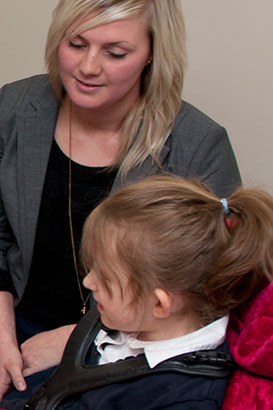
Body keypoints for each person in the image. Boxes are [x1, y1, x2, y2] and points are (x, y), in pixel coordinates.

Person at [0, 0, 241, 399]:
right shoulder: (13, 107)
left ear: (151, 56)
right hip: (15, 315)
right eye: (76, 44)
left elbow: (212, 293)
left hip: (126, 345)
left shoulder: (198, 146)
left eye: (115, 53)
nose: (88, 67)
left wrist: (78, 339)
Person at [1, 174, 272, 409]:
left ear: (159, 304)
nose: (89, 283)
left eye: (105, 279)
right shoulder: (130, 319)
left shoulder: (181, 398)